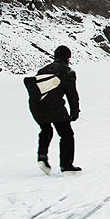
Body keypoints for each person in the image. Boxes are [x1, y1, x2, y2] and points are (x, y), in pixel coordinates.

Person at [28, 45, 81, 174]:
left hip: (37, 106)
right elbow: (72, 94)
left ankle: (42, 157)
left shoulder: (43, 70)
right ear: (68, 58)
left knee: (46, 130)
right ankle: (66, 165)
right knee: (66, 134)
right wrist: (74, 112)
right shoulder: (68, 72)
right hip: (55, 107)